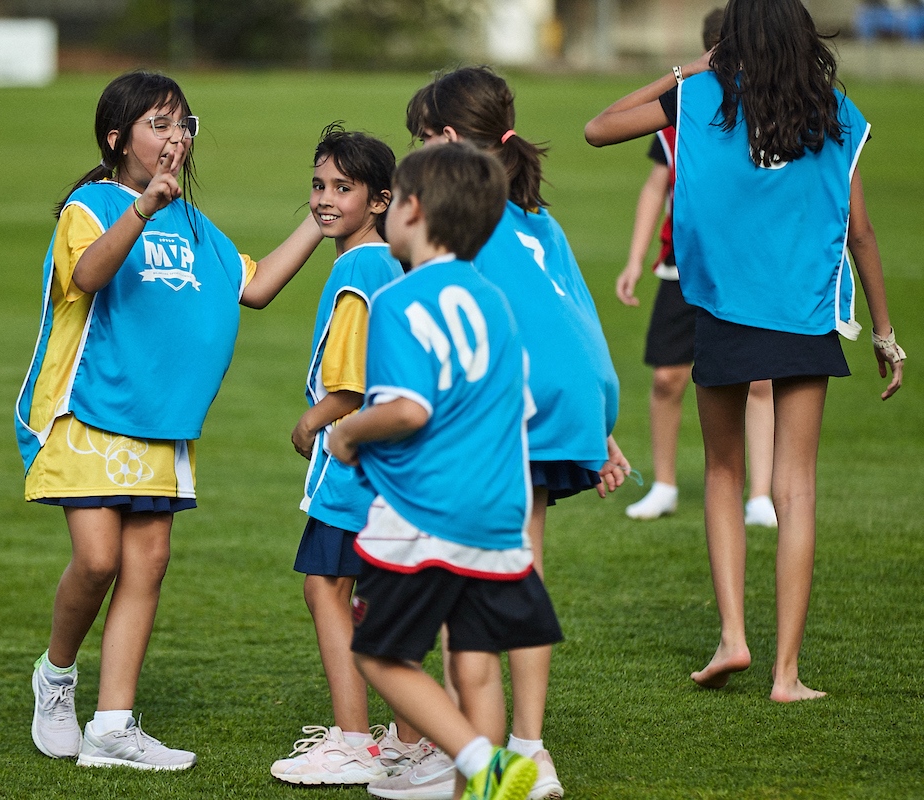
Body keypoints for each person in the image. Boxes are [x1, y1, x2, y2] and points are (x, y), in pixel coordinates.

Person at [585, 0, 904, 702]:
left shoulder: (698, 95)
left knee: (725, 475)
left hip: (724, 309)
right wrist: (884, 334)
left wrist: (688, 69)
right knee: (796, 489)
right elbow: (863, 233)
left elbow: (596, 128)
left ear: (733, 38)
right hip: (805, 316)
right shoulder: (835, 111)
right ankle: (786, 676)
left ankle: (734, 637)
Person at [16, 70, 323, 769]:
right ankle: (57, 677)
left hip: (160, 423)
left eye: (183, 124)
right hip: (87, 410)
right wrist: (144, 208)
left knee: (146, 565)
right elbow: (89, 274)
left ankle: (114, 726)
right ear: (116, 138)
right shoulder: (90, 207)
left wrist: (319, 219)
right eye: (159, 123)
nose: (175, 136)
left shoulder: (195, 223)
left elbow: (255, 285)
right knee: (97, 561)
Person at [369, 65, 628, 800]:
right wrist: (601, 427)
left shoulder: (463, 226)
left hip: (520, 407)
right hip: (575, 399)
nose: (410, 152)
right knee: (520, 571)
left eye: (419, 138)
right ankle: (528, 751)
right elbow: (575, 325)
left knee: (464, 574)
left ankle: (469, 758)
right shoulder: (538, 219)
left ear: (447, 142)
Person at [331, 141, 560, 800]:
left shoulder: (401, 301)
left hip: (424, 512)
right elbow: (516, 403)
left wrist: (348, 432)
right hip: (498, 514)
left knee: (378, 651)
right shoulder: (493, 299)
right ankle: (477, 789)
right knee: (475, 662)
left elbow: (406, 409)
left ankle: (484, 765)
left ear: (412, 209)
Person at [271, 123, 421, 786]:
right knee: (377, 600)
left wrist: (315, 418)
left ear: (381, 200)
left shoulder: (359, 265)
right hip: (392, 464)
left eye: (343, 187)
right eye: (318, 184)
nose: (325, 198)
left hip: (352, 460)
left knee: (326, 588)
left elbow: (352, 379)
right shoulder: (391, 259)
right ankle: (410, 740)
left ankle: (354, 740)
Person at [615, 8, 778, 528]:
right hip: (682, 267)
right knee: (667, 377)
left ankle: (762, 494)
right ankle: (663, 483)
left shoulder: (774, 113)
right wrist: (636, 259)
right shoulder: (677, 115)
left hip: (747, 269)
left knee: (759, 382)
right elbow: (652, 186)